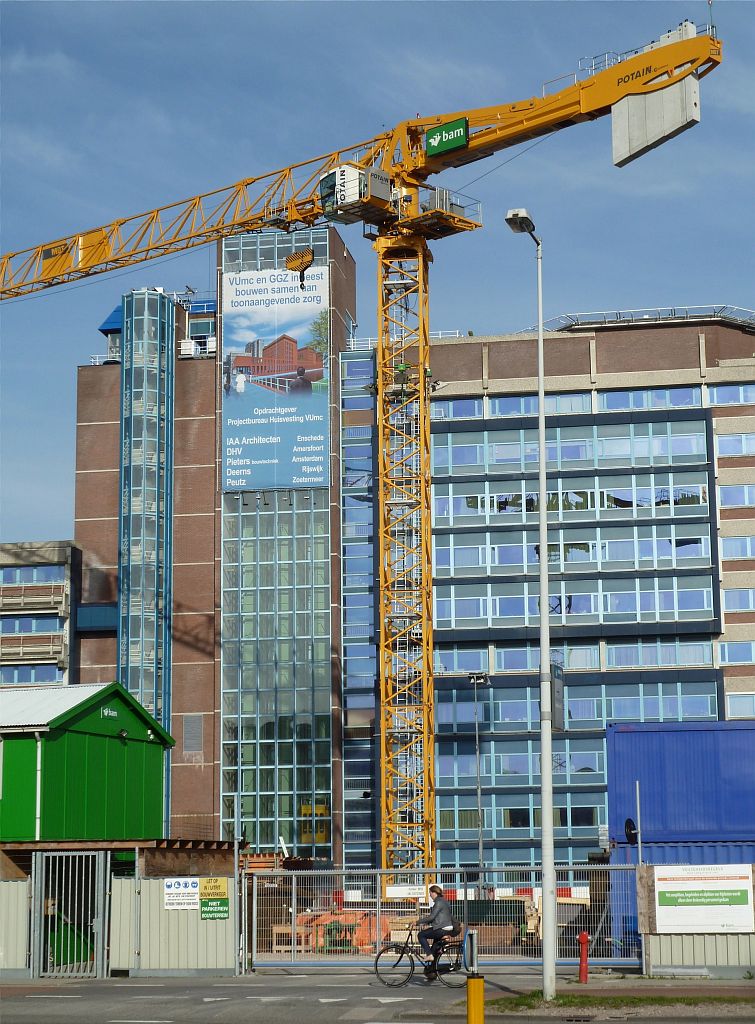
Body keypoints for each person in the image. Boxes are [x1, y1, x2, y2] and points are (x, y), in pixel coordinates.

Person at [417, 884, 454, 966]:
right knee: (434, 951)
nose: (430, 895)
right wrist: (426, 923)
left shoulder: (438, 902)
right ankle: (432, 971)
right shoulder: (444, 901)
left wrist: (417, 922)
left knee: (421, 935)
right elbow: (439, 916)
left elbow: (432, 917)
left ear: (434, 893)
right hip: (447, 927)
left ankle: (429, 955)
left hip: (441, 928)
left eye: (430, 893)